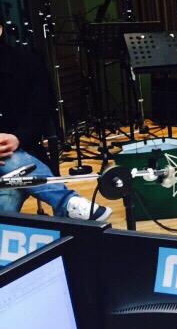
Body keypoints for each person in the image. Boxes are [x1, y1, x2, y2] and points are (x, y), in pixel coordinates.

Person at [0, 19, 111, 220]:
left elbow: (39, 110)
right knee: (11, 171)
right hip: (16, 161)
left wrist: (17, 138)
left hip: (20, 151)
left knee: (9, 190)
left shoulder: (26, 63)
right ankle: (67, 202)